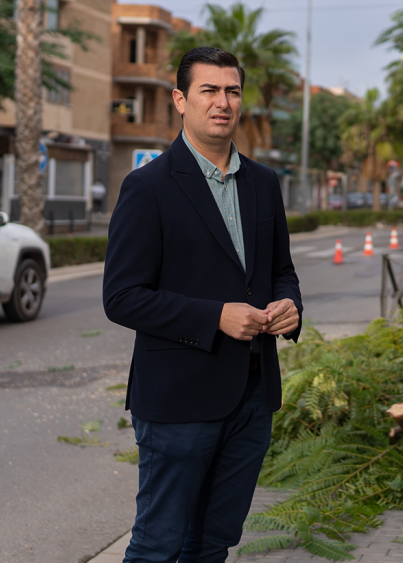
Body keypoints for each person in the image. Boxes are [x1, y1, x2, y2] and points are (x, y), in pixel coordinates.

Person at [103, 47, 302, 563]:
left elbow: (282, 269)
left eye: (232, 91)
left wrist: (290, 306)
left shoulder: (263, 183)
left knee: (213, 543)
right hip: (178, 402)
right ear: (180, 100)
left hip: (253, 395)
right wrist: (215, 316)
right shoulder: (148, 187)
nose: (222, 102)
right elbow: (122, 298)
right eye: (208, 91)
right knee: (158, 543)